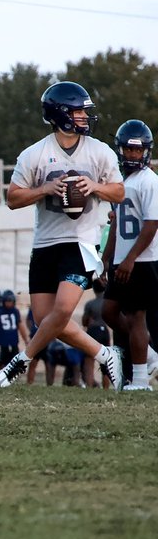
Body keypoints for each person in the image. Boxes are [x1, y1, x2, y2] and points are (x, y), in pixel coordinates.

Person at [0, 82, 125, 389]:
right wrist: (44, 189)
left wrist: (95, 187)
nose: (84, 116)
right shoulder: (34, 154)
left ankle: (20, 361)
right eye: (79, 110)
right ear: (61, 114)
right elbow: (12, 199)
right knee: (47, 321)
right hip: (46, 243)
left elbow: (119, 191)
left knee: (63, 310)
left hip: (83, 240)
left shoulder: (99, 151)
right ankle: (105, 354)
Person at [101, 120, 158, 391]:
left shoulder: (150, 181)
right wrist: (105, 258)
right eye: (128, 150)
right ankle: (149, 354)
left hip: (143, 260)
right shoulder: (120, 182)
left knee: (137, 316)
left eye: (138, 151)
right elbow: (116, 225)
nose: (133, 155)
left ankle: (140, 380)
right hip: (122, 260)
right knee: (109, 312)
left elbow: (151, 225)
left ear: (146, 151)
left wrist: (131, 258)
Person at [81, 279, 110, 388]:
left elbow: (85, 321)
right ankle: (106, 387)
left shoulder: (90, 304)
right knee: (106, 361)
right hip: (105, 331)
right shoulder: (107, 302)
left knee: (89, 359)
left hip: (93, 331)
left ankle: (89, 385)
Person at [0, 290, 28, 372]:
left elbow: (20, 326)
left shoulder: (15, 311)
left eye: (10, 301)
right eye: (7, 301)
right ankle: (0, 380)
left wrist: (26, 340)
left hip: (13, 341)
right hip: (1, 342)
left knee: (14, 363)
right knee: (1, 363)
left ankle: (11, 380)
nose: (9, 303)